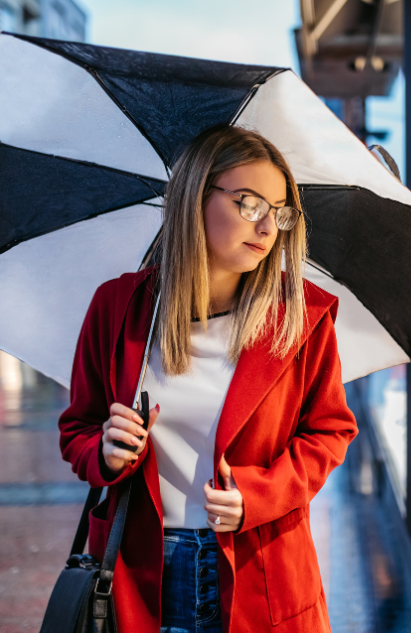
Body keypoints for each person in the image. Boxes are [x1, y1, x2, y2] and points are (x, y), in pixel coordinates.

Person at [58, 125, 358, 633]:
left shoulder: (301, 315)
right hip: (140, 575)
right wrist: (105, 452)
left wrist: (258, 494)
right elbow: (78, 429)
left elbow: (330, 431)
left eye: (280, 211)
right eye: (250, 204)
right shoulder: (118, 307)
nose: (268, 226)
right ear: (195, 197)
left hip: (260, 569)